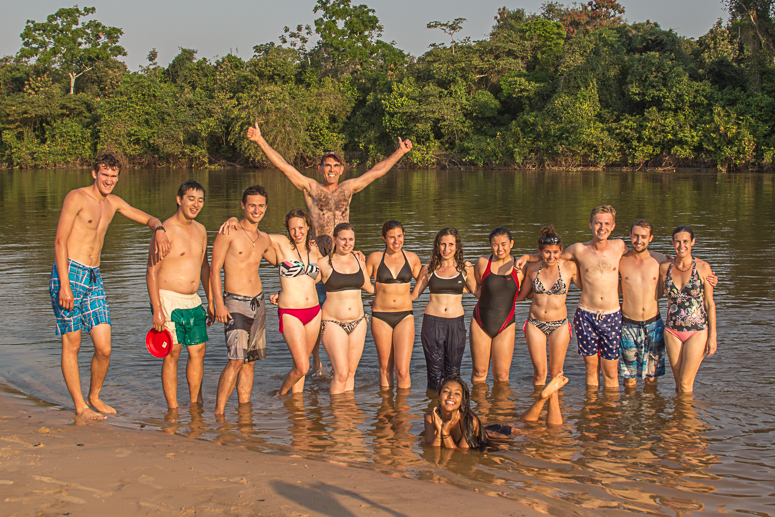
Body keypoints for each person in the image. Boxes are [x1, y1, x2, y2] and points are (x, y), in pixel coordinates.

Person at [50, 152, 170, 419]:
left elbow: (146, 218)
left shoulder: (113, 203)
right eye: (105, 174)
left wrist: (159, 227)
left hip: (94, 278)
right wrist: (65, 285)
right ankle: (81, 407)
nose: (109, 180)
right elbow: (60, 241)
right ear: (94, 173)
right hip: (69, 274)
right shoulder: (77, 197)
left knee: (104, 347)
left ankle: (94, 396)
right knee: (73, 343)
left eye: (114, 176)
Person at [520, 206, 627, 389]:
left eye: (606, 223)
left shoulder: (620, 246)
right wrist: (528, 257)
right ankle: (589, 409)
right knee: (590, 368)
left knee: (611, 371)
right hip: (586, 315)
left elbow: (640, 258)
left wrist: (665, 259)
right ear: (590, 224)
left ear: (613, 226)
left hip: (611, 314)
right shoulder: (578, 249)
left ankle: (609, 414)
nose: (602, 227)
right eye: (598, 223)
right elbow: (551, 255)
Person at [146, 180, 214, 410]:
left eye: (200, 200)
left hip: (193, 301)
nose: (196, 204)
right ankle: (173, 408)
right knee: (172, 353)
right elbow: (151, 271)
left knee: (198, 351)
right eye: (191, 199)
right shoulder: (166, 231)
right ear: (179, 199)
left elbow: (205, 268)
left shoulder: (201, 230)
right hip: (168, 299)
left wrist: (211, 301)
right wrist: (157, 310)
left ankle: (196, 404)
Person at [211, 186, 276, 416]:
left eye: (260, 206)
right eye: (251, 205)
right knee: (236, 359)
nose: (256, 210)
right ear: (243, 206)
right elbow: (214, 269)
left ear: (266, 208)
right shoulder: (229, 231)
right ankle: (219, 414)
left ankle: (244, 414)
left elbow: (282, 262)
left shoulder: (264, 238)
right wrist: (218, 303)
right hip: (235, 302)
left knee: (250, 361)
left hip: (258, 303)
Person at [423, 373, 567, 449]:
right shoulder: (431, 417)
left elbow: (461, 454)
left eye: (457, 394)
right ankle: (542, 398)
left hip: (497, 436)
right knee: (525, 422)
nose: (451, 397)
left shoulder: (469, 421)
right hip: (487, 429)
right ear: (439, 395)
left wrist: (445, 433)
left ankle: (550, 396)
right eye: (446, 392)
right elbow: (432, 450)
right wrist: (442, 431)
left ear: (462, 401)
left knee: (550, 432)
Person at [412, 228, 476, 391]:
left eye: (451, 244)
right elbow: (413, 295)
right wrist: (382, 299)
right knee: (434, 374)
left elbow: (478, 292)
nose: (446, 249)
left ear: (457, 246)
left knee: (453, 372)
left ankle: (454, 412)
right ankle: (434, 409)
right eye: (442, 244)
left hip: (456, 324)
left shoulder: (466, 268)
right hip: (433, 323)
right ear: (437, 246)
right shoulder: (429, 268)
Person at [268, 209, 324, 395]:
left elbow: (333, 267)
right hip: (291, 312)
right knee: (302, 367)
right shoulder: (282, 244)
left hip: (314, 312)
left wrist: (355, 252)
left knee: (302, 364)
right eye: (292, 229)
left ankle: (296, 405)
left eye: (301, 227)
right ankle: (280, 394)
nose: (297, 232)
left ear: (308, 227)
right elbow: (254, 236)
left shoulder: (314, 250)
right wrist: (236, 221)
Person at [516, 226, 580, 386]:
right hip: (535, 324)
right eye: (547, 252)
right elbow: (522, 296)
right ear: (540, 251)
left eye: (555, 252)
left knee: (556, 374)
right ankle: (538, 408)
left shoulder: (569, 267)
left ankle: (556, 408)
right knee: (539, 375)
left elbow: (587, 288)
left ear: (561, 251)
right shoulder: (532, 269)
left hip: (559, 325)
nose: (551, 256)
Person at [659, 225, 717, 394]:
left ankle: (688, 419)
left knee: (685, 385)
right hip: (672, 331)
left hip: (697, 331)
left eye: (685, 241)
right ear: (672, 243)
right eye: (677, 242)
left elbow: (709, 303)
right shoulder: (665, 268)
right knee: (678, 385)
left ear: (693, 242)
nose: (681, 245)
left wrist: (712, 336)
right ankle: (680, 419)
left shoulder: (703, 268)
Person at [318, 223, 375, 394]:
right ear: (334, 239)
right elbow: (304, 284)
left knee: (350, 373)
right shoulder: (323, 263)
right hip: (332, 323)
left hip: (359, 322)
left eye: (351, 239)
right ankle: (337, 416)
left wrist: (398, 293)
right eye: (343, 239)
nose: (347, 243)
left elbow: (370, 287)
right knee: (341, 373)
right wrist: (280, 293)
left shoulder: (359, 260)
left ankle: (347, 416)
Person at [365, 220, 422, 389]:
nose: (396, 241)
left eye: (399, 236)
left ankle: (402, 412)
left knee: (403, 370)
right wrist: (379, 292)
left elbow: (425, 280)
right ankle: (386, 411)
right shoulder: (375, 258)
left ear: (404, 235)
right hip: (381, 316)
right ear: (384, 238)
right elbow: (361, 280)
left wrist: (412, 295)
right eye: (391, 237)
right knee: (385, 370)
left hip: (405, 316)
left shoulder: (411, 258)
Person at [469, 227, 524, 385]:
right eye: (495, 245)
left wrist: (528, 256)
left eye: (504, 244)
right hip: (481, 322)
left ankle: (499, 410)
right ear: (490, 245)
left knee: (501, 377)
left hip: (506, 324)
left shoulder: (520, 267)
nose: (500, 248)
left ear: (512, 244)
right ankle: (480, 409)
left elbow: (527, 292)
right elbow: (477, 287)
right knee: (479, 373)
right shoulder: (483, 262)